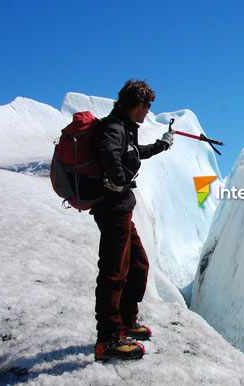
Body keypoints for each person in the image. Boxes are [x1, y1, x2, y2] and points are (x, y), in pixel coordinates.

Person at [90, 79, 174, 361]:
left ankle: (126, 320)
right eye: (146, 106)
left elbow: (133, 154)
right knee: (114, 272)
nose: (148, 112)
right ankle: (109, 339)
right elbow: (108, 152)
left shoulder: (125, 129)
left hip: (122, 209)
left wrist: (161, 145)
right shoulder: (113, 128)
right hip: (112, 210)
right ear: (136, 104)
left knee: (137, 265)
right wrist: (117, 179)